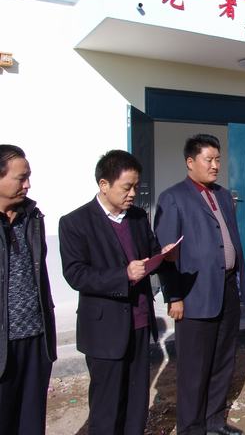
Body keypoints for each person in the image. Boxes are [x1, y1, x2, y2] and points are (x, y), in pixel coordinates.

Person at [59, 150, 173, 434]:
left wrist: (164, 255)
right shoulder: (75, 222)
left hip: (139, 321)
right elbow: (76, 274)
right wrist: (123, 275)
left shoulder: (137, 217)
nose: (133, 193)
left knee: (136, 400)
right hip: (105, 328)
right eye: (126, 187)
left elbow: (151, 252)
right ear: (104, 184)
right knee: (107, 404)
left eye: (136, 186)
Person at [154, 134, 245, 435]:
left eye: (218, 159)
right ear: (190, 161)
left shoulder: (223, 195)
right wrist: (174, 296)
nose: (215, 165)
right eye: (208, 160)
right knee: (194, 368)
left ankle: (214, 420)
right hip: (194, 294)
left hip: (227, 289)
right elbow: (166, 254)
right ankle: (191, 427)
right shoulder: (173, 197)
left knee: (223, 360)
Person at [0, 145, 56, 435]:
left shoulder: (32, 218)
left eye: (29, 177)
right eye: (21, 178)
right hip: (3, 344)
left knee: (31, 421)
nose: (28, 184)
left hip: (35, 337)